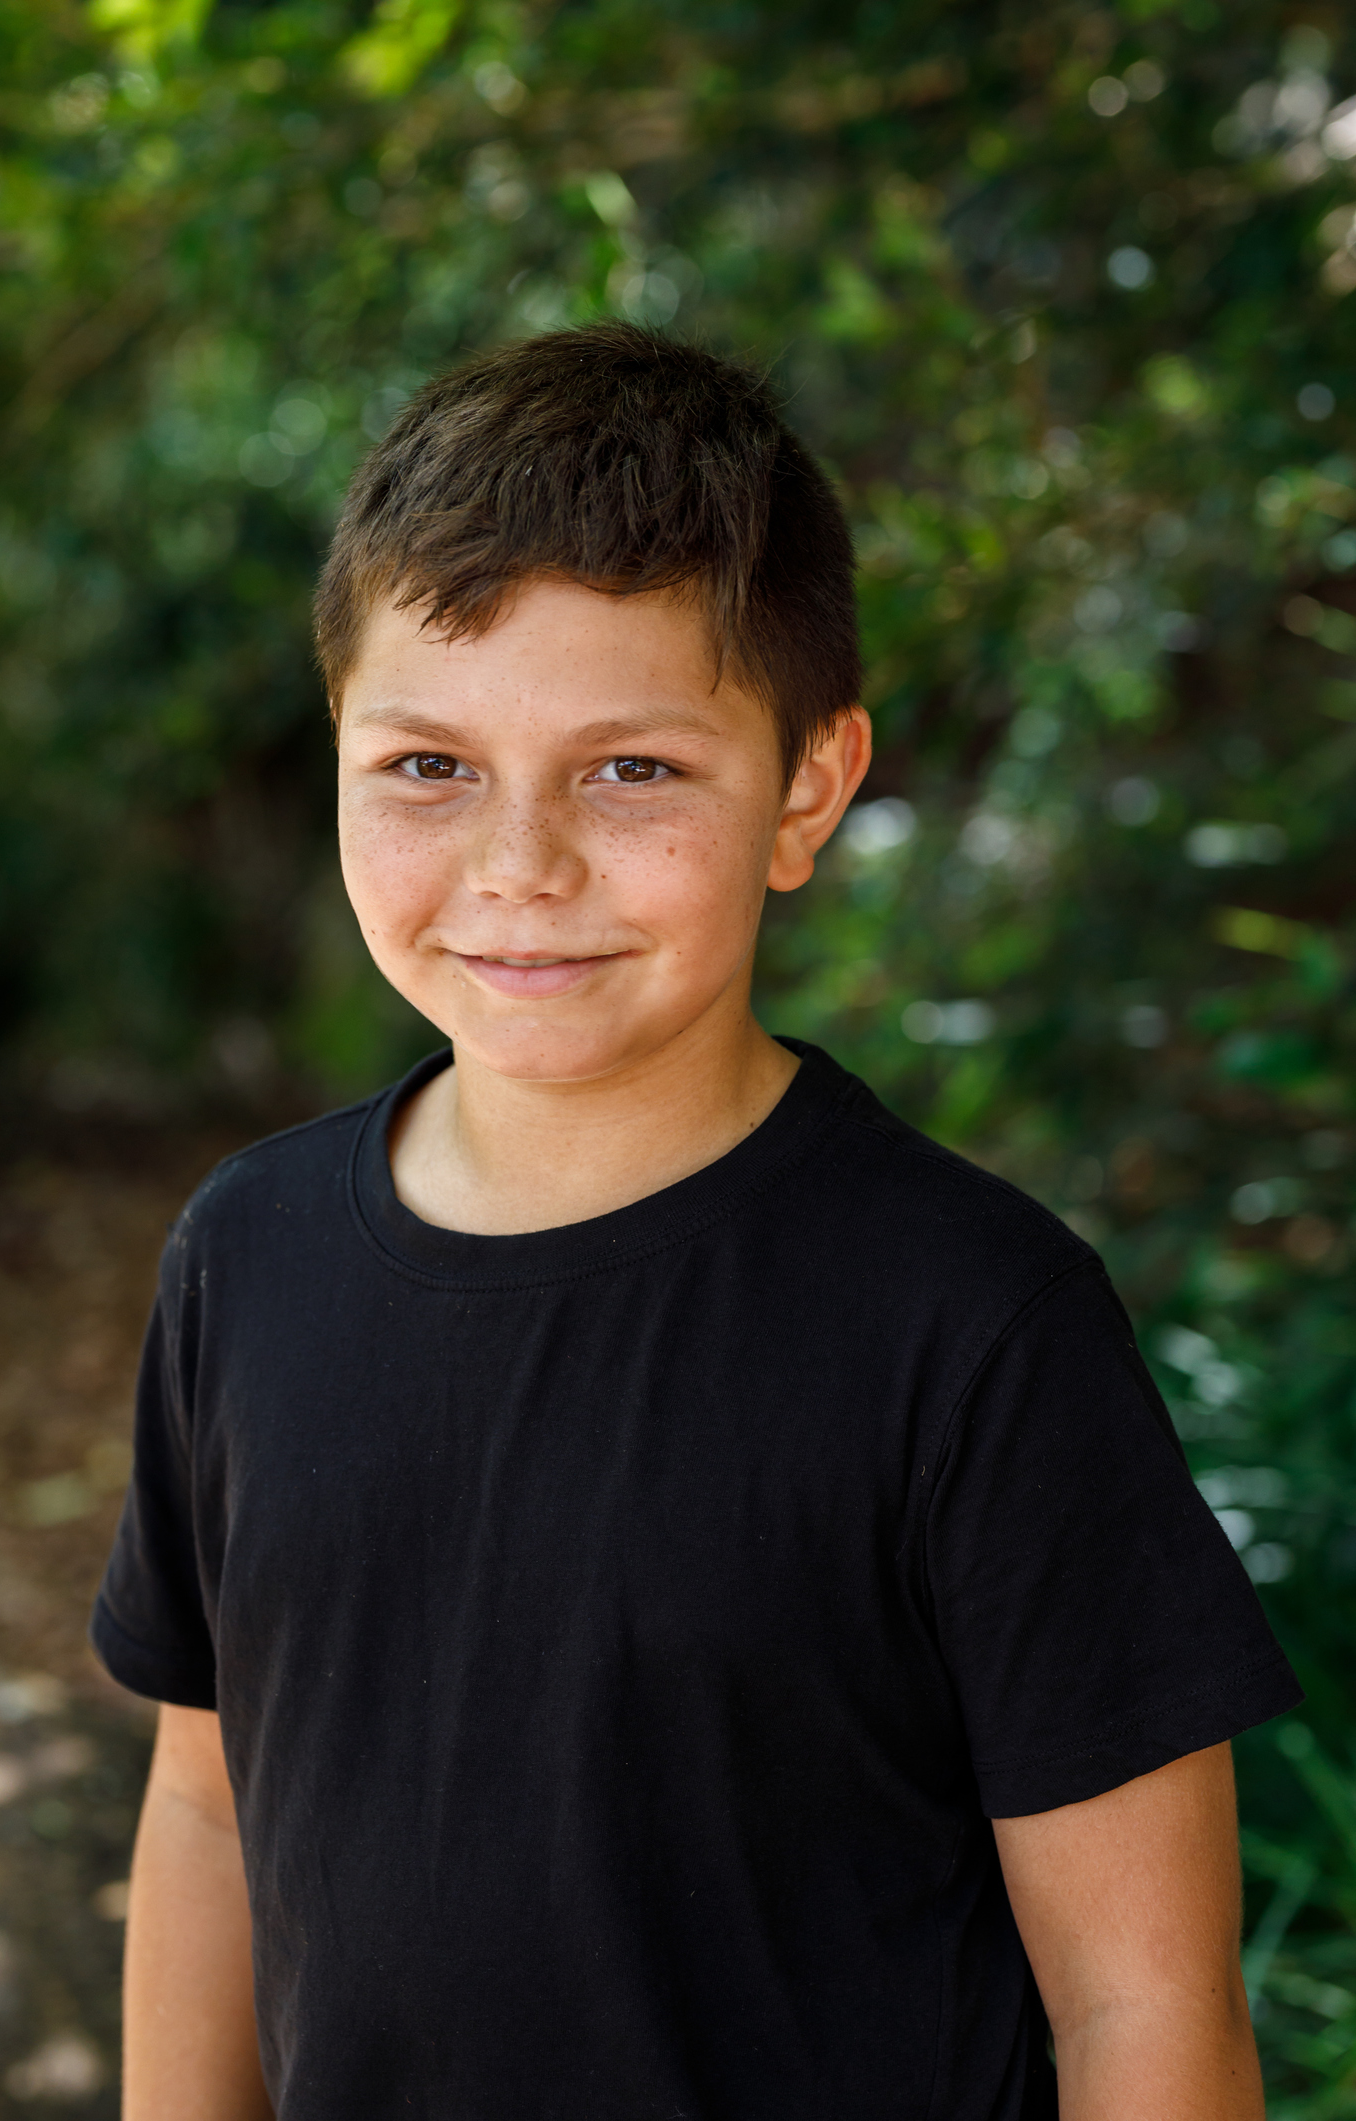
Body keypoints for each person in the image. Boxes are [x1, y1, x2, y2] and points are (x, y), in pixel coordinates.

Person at [93, 322, 1299, 2121]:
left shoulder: (971, 1324)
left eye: (631, 769)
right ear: (335, 747)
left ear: (806, 788)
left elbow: (1145, 2005)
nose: (521, 865)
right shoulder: (242, 1259)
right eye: (427, 765)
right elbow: (209, 1806)